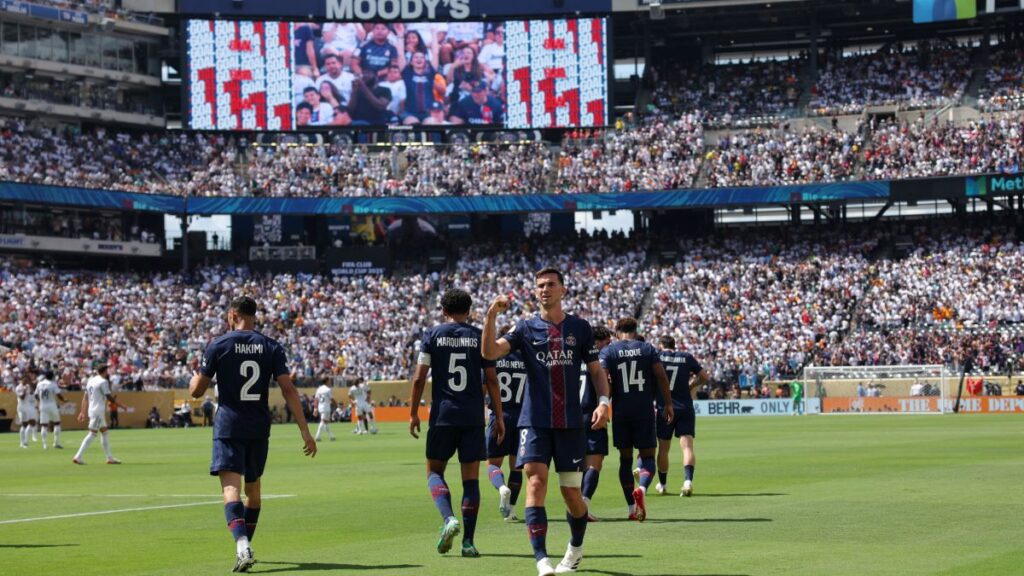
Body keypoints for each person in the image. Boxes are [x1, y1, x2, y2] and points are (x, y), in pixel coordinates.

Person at [482, 268, 611, 576]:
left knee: (571, 494)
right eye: (540, 285)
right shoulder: (525, 327)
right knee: (535, 483)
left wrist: (604, 402)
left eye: (551, 284)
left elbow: (596, 371)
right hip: (534, 422)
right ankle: (541, 560)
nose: (544, 289)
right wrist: (490, 316)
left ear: (563, 290)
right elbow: (489, 351)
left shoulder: (579, 327)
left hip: (570, 423)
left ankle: (575, 549)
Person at [188, 296, 316, 573]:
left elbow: (197, 391)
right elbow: (289, 390)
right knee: (254, 492)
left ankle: (242, 544)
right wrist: (305, 431)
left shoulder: (219, 345)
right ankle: (243, 546)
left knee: (230, 488)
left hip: (229, 425)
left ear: (232, 314)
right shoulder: (270, 346)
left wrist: (193, 380)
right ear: (255, 315)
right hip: (259, 426)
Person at [409, 288, 505, 558]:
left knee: (434, 472)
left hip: (442, 415)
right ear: (470, 310)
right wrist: (498, 416)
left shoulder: (433, 335)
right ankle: (469, 543)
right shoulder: (479, 337)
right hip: (473, 417)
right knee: (471, 481)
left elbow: (418, 378)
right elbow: (491, 380)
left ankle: (449, 518)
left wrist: (413, 412)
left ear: (443, 310)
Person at [600, 318, 673, 522]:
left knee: (625, 459)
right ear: (635, 330)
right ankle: (641, 487)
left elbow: (604, 381)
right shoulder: (647, 348)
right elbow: (661, 377)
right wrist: (667, 403)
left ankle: (631, 509)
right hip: (644, 411)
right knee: (648, 455)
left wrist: (604, 403)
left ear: (616, 333)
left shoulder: (609, 351)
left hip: (621, 411)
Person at [655, 336, 708, 498]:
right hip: (685, 406)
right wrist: (691, 385)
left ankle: (663, 484)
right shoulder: (686, 357)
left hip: (665, 407)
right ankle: (687, 482)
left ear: (661, 345)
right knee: (687, 446)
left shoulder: (656, 356)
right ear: (674, 345)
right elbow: (704, 376)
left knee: (664, 448)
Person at [485, 325, 528, 523]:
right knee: (516, 467)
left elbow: (485, 385)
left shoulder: (494, 359)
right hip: (521, 417)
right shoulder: (526, 361)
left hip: (499, 415)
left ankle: (502, 487)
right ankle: (511, 511)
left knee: (493, 463)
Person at [579, 326, 613, 521]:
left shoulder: (574, 358)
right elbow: (607, 388)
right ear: (598, 342)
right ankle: (583, 505)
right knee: (594, 464)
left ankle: (576, 506)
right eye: (607, 343)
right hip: (594, 414)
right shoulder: (599, 361)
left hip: (573, 416)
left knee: (578, 465)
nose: (608, 347)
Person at [73, 364, 120, 465]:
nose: (108, 373)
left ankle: (109, 458)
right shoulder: (103, 381)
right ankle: (78, 456)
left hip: (93, 410)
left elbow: (85, 398)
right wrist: (119, 404)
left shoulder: (91, 380)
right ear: (105, 371)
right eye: (107, 371)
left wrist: (82, 412)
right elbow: (108, 396)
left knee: (104, 432)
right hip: (98, 411)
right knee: (92, 434)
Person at [35, 370, 65, 449]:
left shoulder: (39, 384)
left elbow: (35, 395)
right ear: (52, 376)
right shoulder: (52, 384)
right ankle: (56, 442)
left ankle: (44, 444)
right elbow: (58, 395)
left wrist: (39, 402)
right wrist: (64, 400)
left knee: (44, 425)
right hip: (52, 405)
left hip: (43, 405)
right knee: (57, 423)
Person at [15, 378, 38, 448]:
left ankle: (26, 440)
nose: (26, 382)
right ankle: (22, 443)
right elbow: (22, 397)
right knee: (24, 425)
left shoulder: (27, 386)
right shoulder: (18, 387)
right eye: (25, 380)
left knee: (32, 422)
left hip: (27, 406)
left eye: (27, 380)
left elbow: (31, 393)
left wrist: (30, 387)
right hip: (21, 407)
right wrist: (24, 390)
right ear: (21, 380)